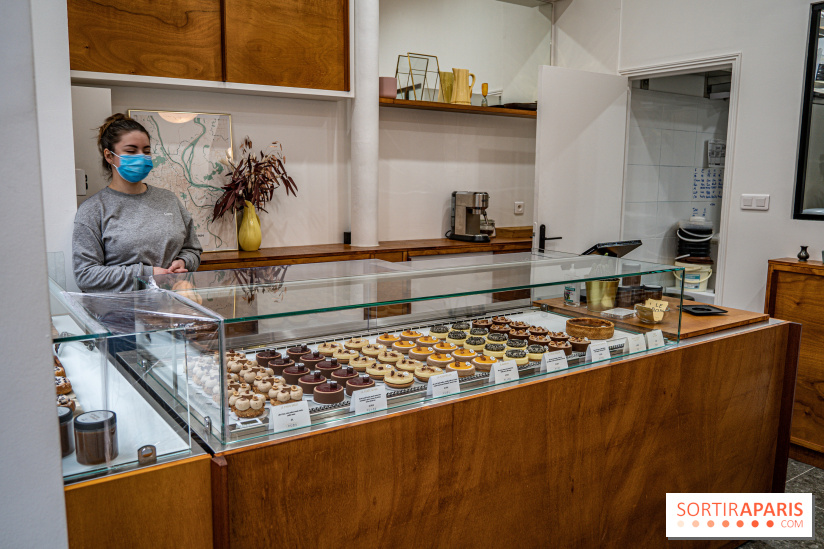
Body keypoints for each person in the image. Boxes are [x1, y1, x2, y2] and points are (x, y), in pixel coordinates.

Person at [73, 114, 202, 292]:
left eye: (146, 151)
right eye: (131, 151)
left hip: (173, 308)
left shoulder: (169, 200)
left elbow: (193, 250)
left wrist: (183, 262)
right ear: (109, 156)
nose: (141, 157)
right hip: (120, 316)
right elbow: (86, 275)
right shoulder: (93, 210)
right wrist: (146, 275)